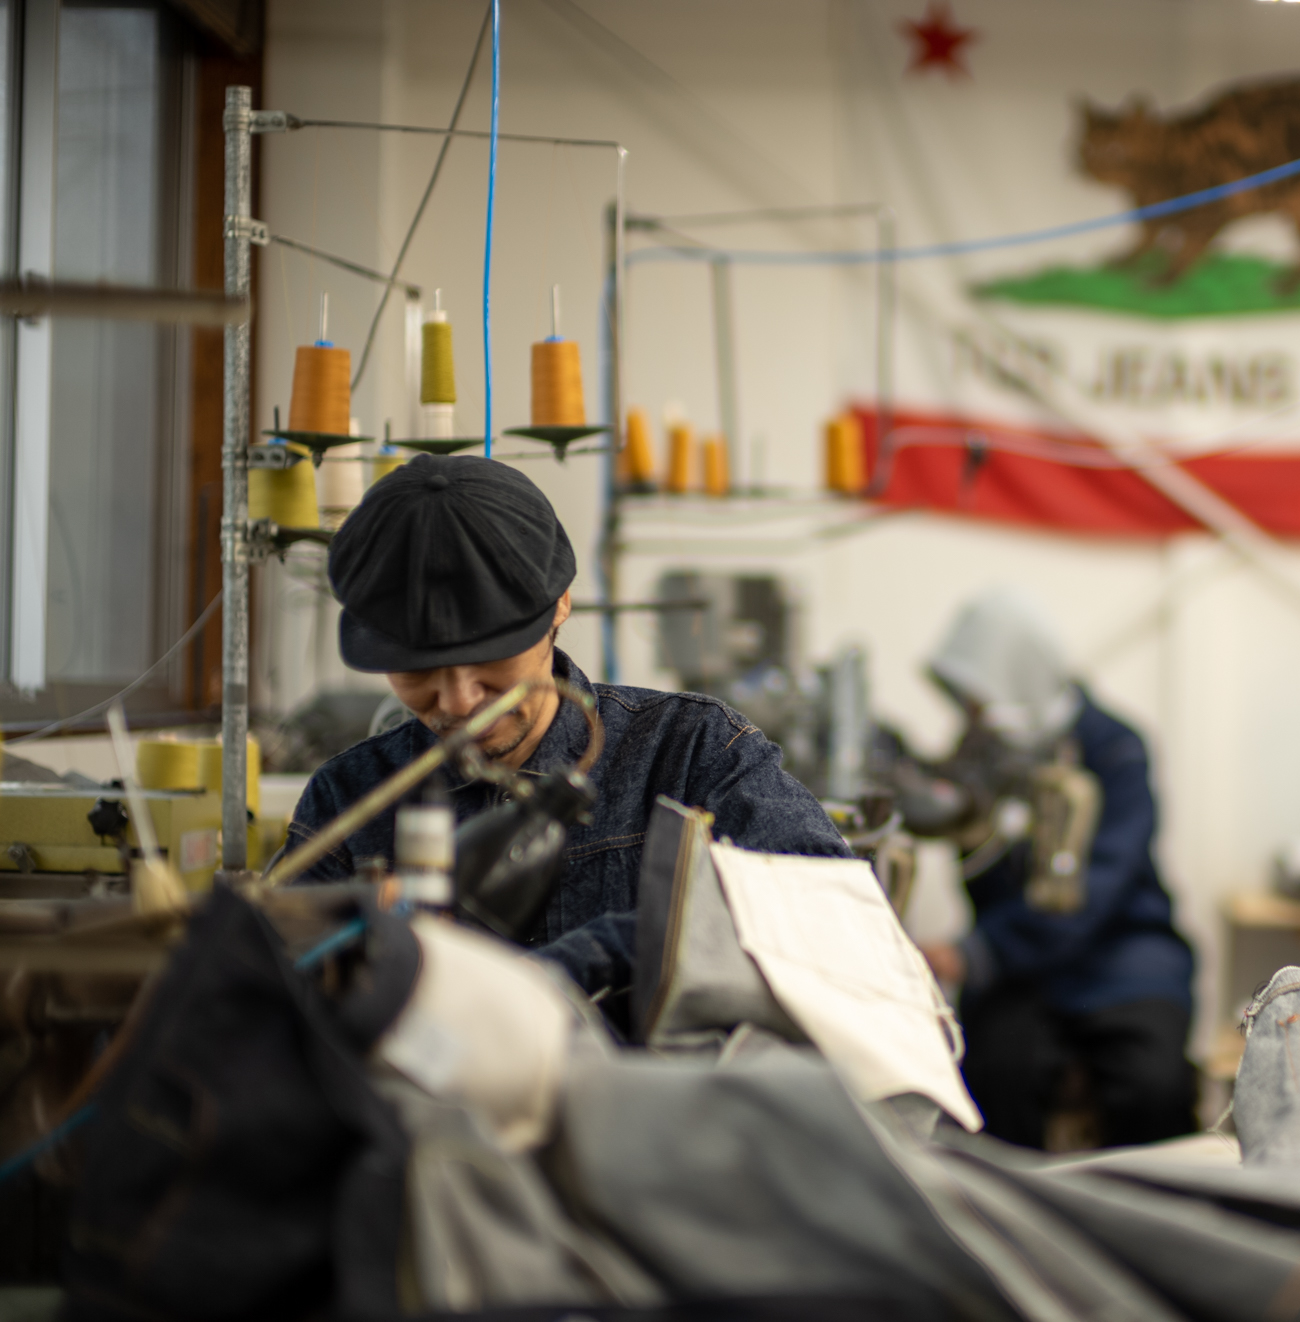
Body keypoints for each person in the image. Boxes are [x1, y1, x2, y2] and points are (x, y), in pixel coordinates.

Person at [282, 455, 849, 997]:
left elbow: (825, 907)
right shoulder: (351, 799)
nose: (458, 701)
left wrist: (579, 963)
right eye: (416, 671)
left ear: (559, 605)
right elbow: (273, 985)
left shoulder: (691, 752)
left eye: (490, 659)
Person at [915, 589, 1196, 1148]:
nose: (972, 714)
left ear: (1018, 675)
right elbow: (980, 876)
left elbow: (1100, 883)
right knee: (994, 1080)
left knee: (1153, 1087)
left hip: (1121, 952)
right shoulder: (981, 757)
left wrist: (976, 952)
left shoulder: (1114, 748)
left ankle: (1147, 1205)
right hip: (1021, 971)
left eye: (978, 698)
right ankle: (1004, 1203)